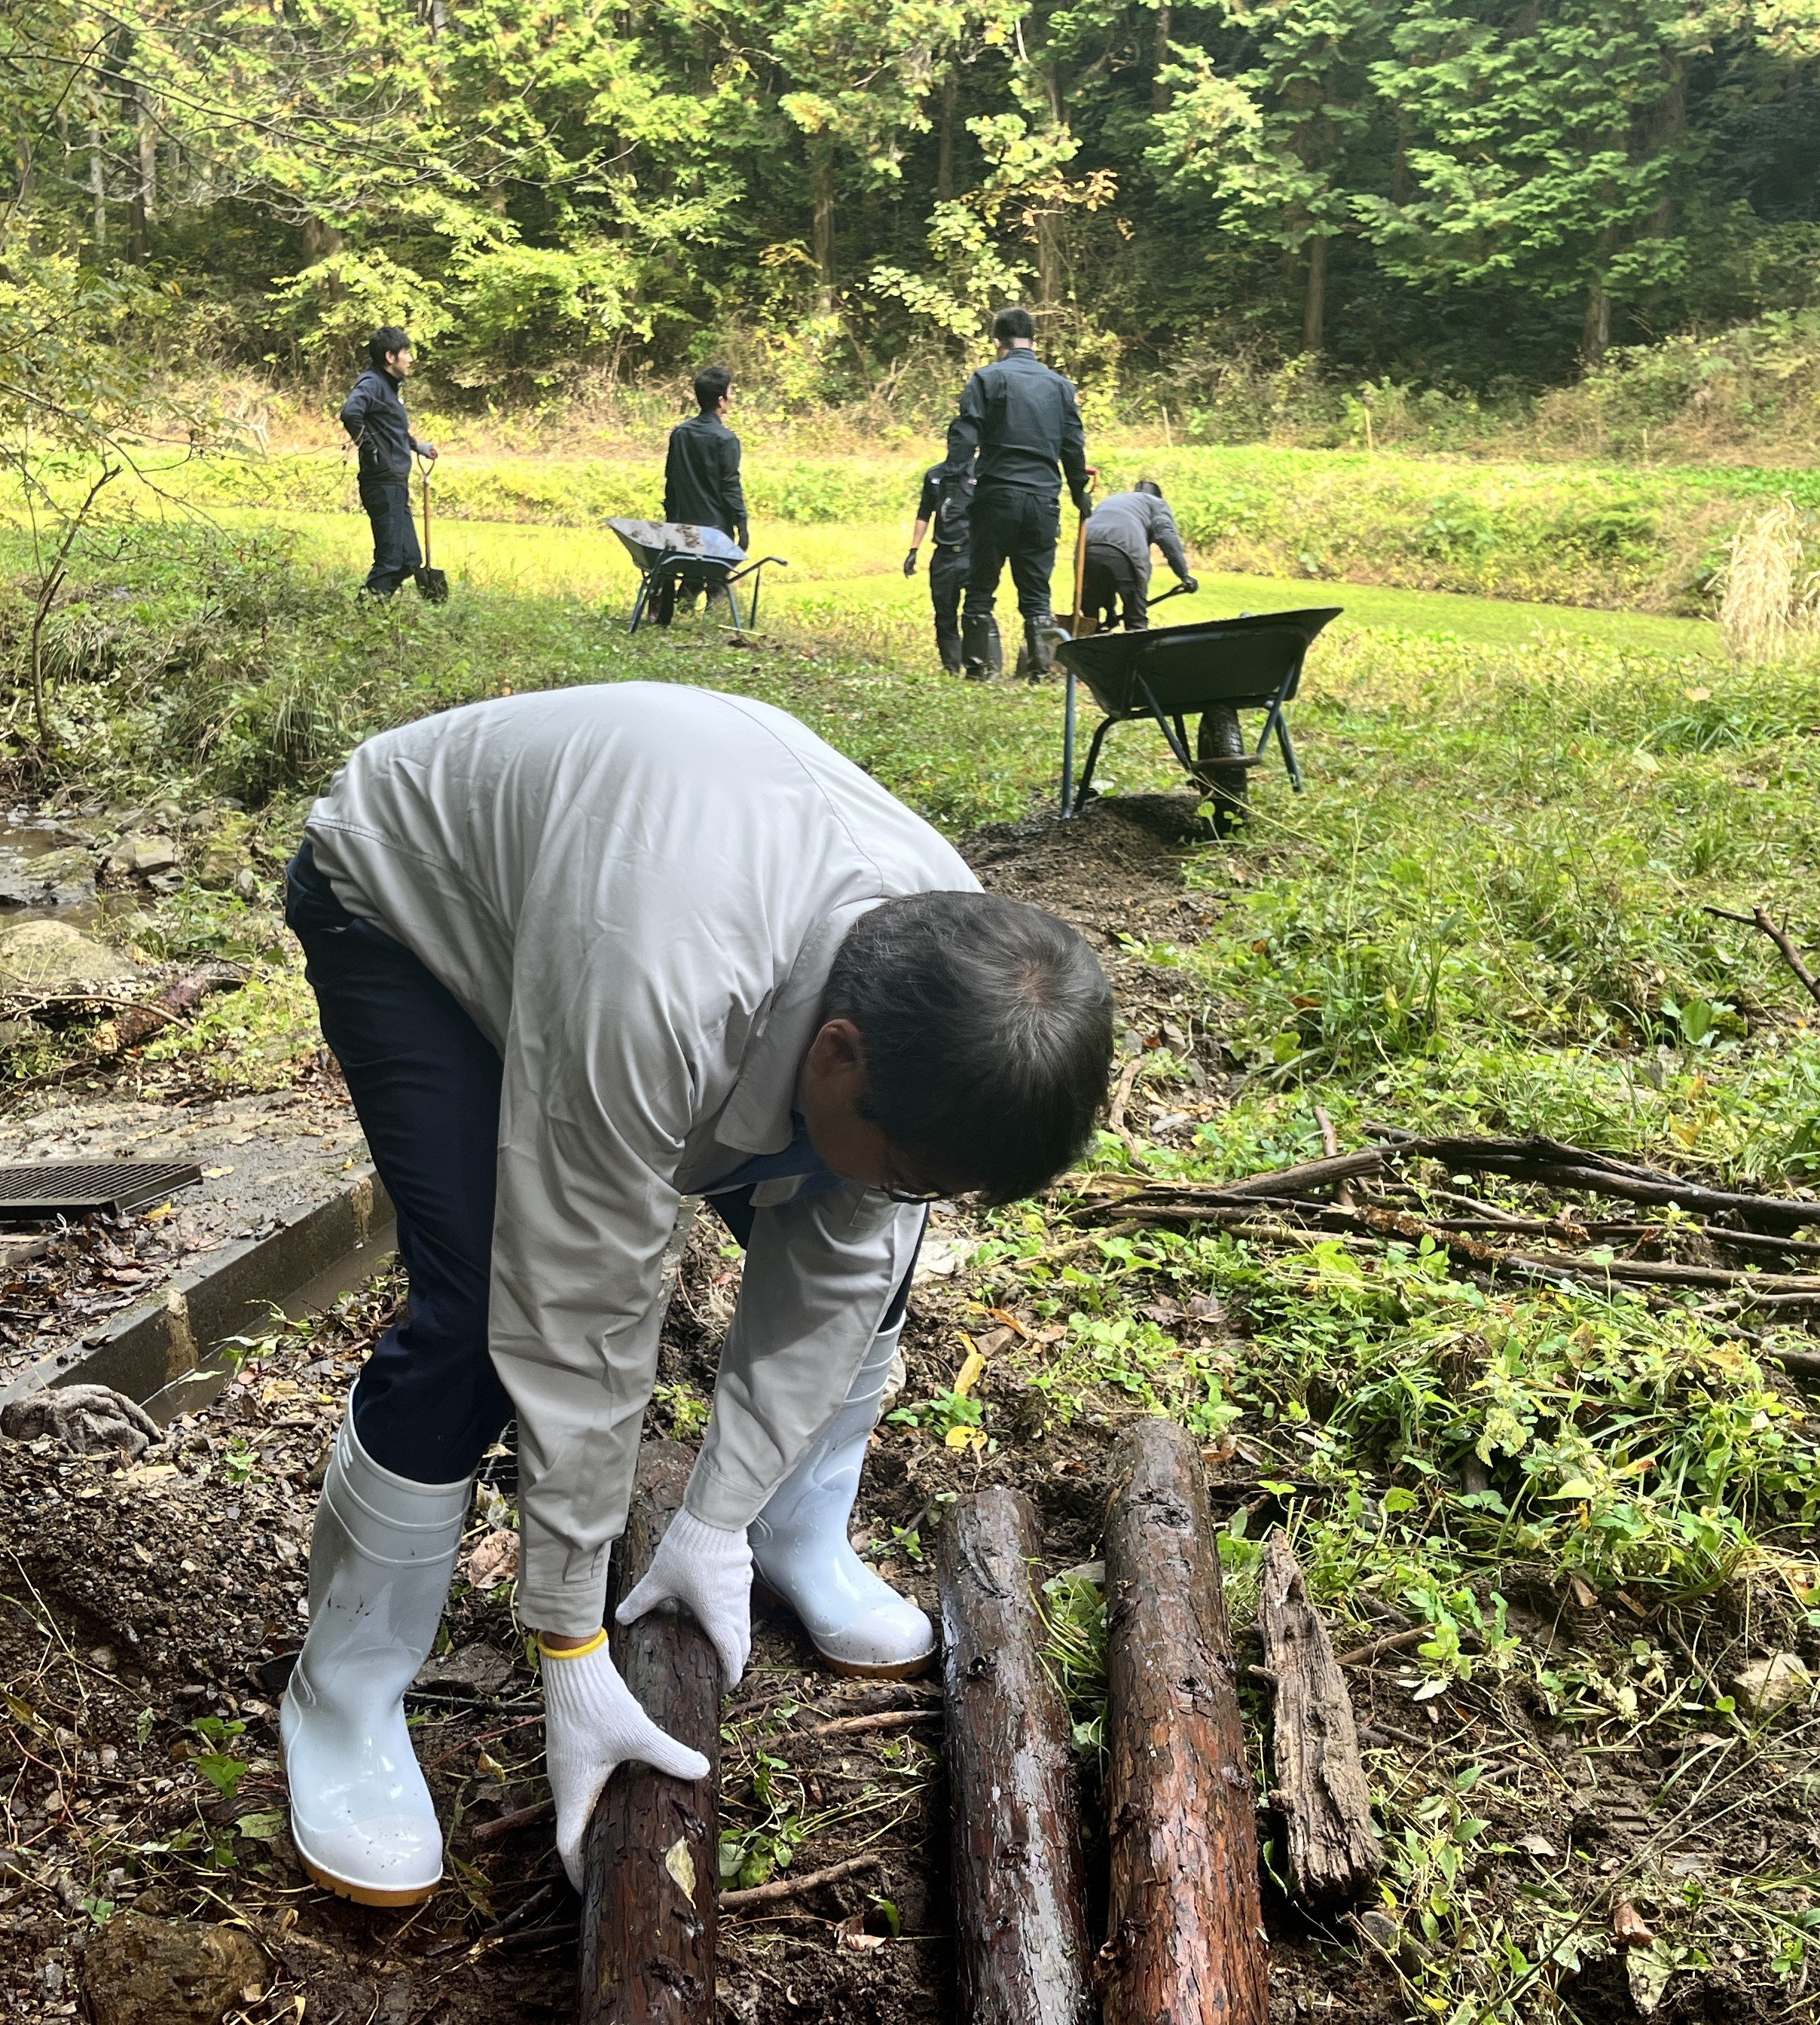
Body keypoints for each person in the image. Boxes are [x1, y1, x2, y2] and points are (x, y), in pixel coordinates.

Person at [275, 682, 1113, 1908]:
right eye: (923, 1172)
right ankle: (340, 1696)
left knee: (870, 1258)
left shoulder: (959, 977)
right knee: (476, 1321)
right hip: (418, 910)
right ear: (837, 1055)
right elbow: (581, 1301)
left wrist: (715, 1515)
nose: (916, 1198)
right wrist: (567, 1636)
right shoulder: (659, 974)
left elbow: (841, 1260)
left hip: (649, 933)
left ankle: (790, 1536)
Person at [935, 305, 1090, 681]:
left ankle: (978, 670)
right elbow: (1073, 446)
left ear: (996, 341)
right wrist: (1079, 495)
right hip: (1042, 502)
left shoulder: (987, 378)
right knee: (1037, 592)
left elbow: (965, 433)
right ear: (1034, 341)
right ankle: (1040, 672)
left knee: (981, 586)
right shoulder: (1060, 386)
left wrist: (951, 480)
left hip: (996, 497)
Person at [340, 327, 437, 597]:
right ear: (390, 357)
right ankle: (366, 610)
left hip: (395, 482)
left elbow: (392, 428)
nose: (411, 359)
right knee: (391, 559)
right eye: (406, 353)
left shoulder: (388, 388)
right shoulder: (372, 383)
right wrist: (369, 448)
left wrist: (417, 446)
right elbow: (350, 413)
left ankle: (375, 611)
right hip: (381, 483)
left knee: (409, 560)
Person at [656, 364, 750, 619]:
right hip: (715, 529)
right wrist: (741, 523)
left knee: (694, 573)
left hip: (682, 524)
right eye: (730, 392)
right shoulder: (726, 439)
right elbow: (730, 485)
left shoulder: (681, 434)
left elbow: (671, 479)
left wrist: (670, 519)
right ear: (721, 400)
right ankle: (712, 619)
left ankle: (684, 608)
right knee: (716, 578)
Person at [1081, 479, 1196, 632]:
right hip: (1127, 548)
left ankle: (1085, 642)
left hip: (1088, 546)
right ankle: (1136, 648)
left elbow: (1105, 561)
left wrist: (1111, 612)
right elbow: (1166, 537)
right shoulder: (1157, 504)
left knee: (1090, 614)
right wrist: (1184, 574)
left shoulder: (1113, 500)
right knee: (1135, 617)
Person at [904, 464, 980, 673]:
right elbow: (924, 512)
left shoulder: (982, 472)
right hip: (944, 554)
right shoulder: (936, 475)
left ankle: (983, 667)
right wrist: (914, 550)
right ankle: (951, 668)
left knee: (977, 612)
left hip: (972, 552)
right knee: (944, 614)